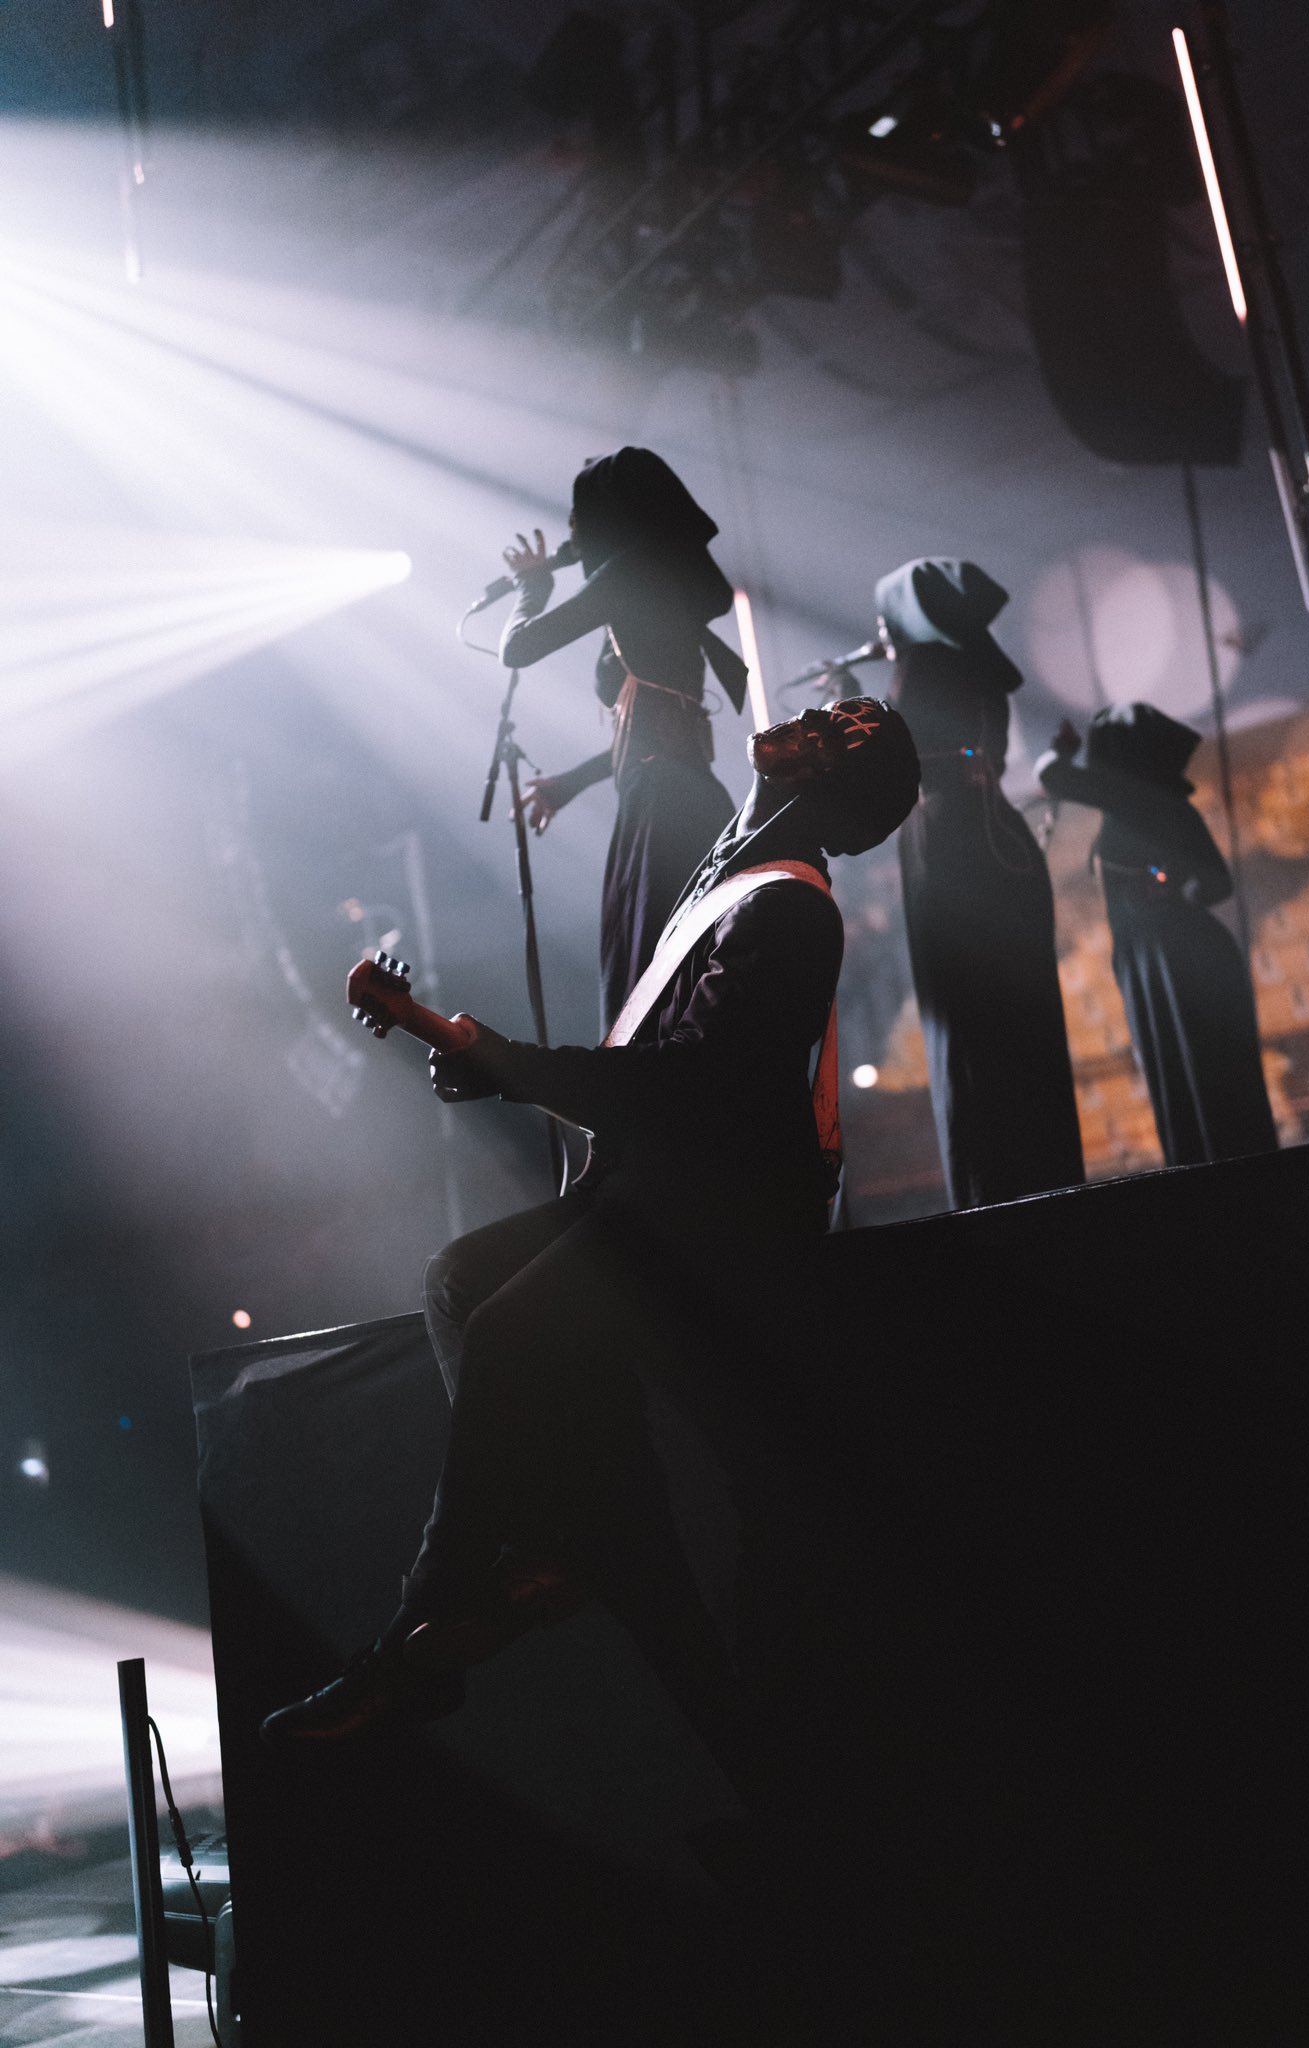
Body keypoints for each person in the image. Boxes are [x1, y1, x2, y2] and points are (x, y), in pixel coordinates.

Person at [261, 697, 920, 1761]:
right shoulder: (730, 875)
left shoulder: (791, 909)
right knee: (458, 1278)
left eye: (837, 726)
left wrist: (509, 1065)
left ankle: (430, 1618)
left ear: (830, 779)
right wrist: (496, 1069)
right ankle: (548, 1543)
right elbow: (655, 1073)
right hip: (655, 1190)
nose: (808, 710)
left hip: (717, 1220)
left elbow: (692, 1092)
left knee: (510, 1330)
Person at [500, 446, 749, 1032]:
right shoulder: (661, 580)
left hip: (660, 813)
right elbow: (654, 729)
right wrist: (573, 782)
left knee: (652, 990)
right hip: (677, 794)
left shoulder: (629, 575)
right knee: (679, 984)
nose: (571, 532)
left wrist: (531, 586)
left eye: (578, 518)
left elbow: (518, 648)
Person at [873, 557, 1084, 1209]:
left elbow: (892, 761)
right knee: (1018, 1028)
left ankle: (993, 1191)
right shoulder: (973, 664)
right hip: (995, 839)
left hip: (951, 845)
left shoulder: (921, 669)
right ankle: (1044, 1175)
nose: (880, 632)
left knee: (969, 1026)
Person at [1036, 703, 1278, 1167]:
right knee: (1200, 1072)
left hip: (1170, 960)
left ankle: (1220, 1176)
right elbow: (1216, 884)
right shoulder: (1165, 805)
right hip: (1166, 955)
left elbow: (1051, 776)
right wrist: (1174, 886)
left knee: (1193, 1070)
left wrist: (1060, 751)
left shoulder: (1133, 798)